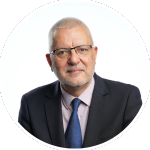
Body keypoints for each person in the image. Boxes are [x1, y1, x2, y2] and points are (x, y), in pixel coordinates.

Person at [18, 17, 142, 148]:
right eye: (62, 52)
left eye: (82, 49)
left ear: (94, 54)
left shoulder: (127, 99)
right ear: (50, 61)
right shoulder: (30, 104)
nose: (74, 59)